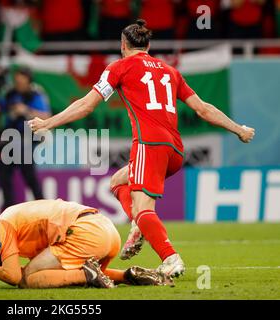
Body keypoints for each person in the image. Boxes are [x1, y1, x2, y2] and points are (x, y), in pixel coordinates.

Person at [28, 19, 255, 278]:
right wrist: (238, 129)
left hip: (150, 144)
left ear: (123, 44)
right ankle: (139, 225)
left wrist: (48, 123)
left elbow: (86, 105)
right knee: (117, 181)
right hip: (175, 151)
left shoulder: (119, 68)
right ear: (148, 45)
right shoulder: (170, 72)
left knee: (144, 208)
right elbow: (203, 109)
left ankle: (170, 257)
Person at [0, 199, 173, 288]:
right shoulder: (21, 227)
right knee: (43, 272)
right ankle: (128, 276)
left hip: (85, 233)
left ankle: (87, 274)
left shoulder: (2, 226)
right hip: (106, 231)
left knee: (27, 280)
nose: (2, 260)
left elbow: (14, 277)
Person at [0, 67, 50, 211]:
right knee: (4, 179)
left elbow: (46, 117)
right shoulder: (10, 94)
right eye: (16, 81)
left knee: (30, 178)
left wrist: (25, 111)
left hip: (25, 140)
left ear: (28, 81)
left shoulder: (35, 95)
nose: (18, 84)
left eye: (21, 81)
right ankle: (9, 212)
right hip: (8, 141)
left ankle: (44, 210)